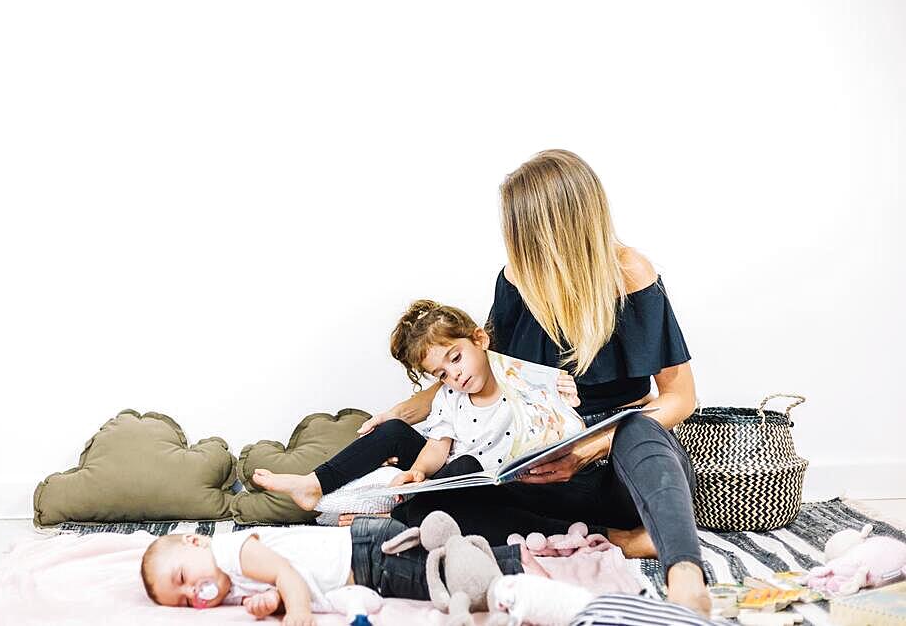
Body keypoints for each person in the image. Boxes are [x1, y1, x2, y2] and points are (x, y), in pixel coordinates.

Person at [358, 150, 710, 615]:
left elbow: (680, 397)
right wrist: (399, 414)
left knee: (638, 428)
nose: (513, 244)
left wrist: (587, 448)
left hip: (617, 464)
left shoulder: (631, 274)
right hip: (542, 461)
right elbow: (479, 370)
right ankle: (615, 540)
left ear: (554, 230)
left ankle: (684, 572)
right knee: (433, 503)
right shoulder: (515, 280)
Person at [251, 299, 581, 509]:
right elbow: (439, 447)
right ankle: (313, 484)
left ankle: (401, 517)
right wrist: (417, 472)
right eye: (442, 372)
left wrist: (561, 393)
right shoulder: (450, 396)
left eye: (456, 358)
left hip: (497, 486)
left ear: (479, 340)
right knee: (395, 430)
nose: (455, 375)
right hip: (449, 478)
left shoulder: (519, 379)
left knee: (467, 467)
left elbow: (560, 424)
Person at [139, 515, 534, 624]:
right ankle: (511, 556)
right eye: (187, 602)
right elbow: (280, 585)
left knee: (439, 581)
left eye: (183, 579)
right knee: (442, 570)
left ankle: (517, 565)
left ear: (195, 542)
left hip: (366, 557)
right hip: (364, 563)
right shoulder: (231, 581)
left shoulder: (230, 551)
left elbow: (286, 575)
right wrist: (269, 604)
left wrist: (297, 612)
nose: (196, 593)